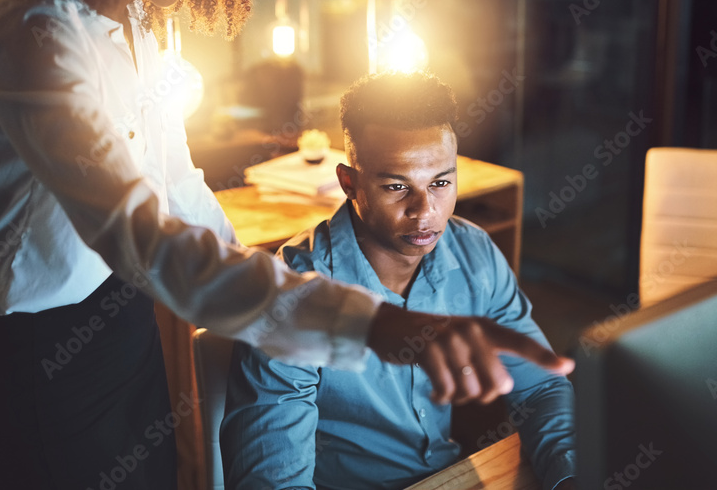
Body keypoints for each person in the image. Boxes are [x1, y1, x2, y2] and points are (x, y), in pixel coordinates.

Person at [0, 0, 572, 488]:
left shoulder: (137, 18)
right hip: (45, 348)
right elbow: (144, 238)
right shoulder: (29, 32)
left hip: (124, 316)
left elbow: (177, 185)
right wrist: (376, 322)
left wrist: (268, 280)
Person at [222, 72, 577, 490]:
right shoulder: (294, 294)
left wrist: (570, 476)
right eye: (396, 186)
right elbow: (273, 481)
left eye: (441, 182)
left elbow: (540, 389)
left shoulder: (473, 252)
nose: (425, 211)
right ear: (349, 183)